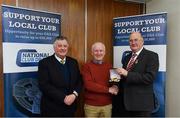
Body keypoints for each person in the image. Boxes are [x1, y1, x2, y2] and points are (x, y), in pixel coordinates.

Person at [112, 32, 159, 117]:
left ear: (142, 41)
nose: (133, 43)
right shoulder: (127, 57)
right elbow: (124, 77)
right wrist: (115, 85)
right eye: (130, 41)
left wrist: (127, 74)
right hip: (125, 104)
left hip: (141, 105)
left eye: (136, 40)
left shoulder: (151, 56)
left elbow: (149, 78)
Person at [38, 36, 82, 117]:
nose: (62, 48)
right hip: (52, 108)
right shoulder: (44, 63)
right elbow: (44, 85)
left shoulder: (73, 62)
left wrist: (74, 95)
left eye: (65, 46)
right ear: (54, 47)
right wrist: (63, 98)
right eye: (60, 46)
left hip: (70, 108)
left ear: (68, 47)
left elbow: (79, 81)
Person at [81, 42, 118, 117]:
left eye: (101, 51)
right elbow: (89, 85)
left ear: (104, 52)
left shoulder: (110, 66)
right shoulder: (86, 66)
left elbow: (115, 82)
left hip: (107, 105)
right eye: (96, 51)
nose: (98, 53)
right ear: (92, 52)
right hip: (91, 107)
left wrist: (116, 86)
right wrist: (108, 90)